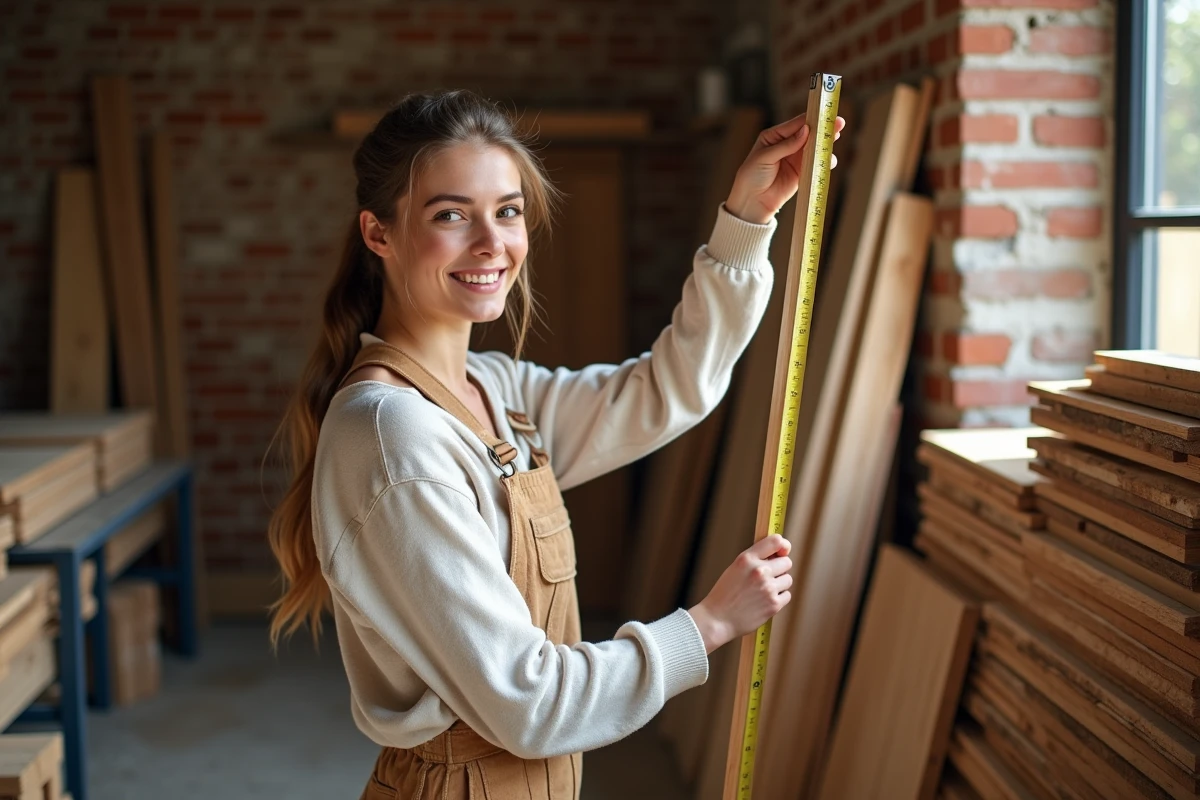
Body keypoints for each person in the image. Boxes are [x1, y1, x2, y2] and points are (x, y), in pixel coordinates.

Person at [266, 89, 843, 800]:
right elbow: (529, 703)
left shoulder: (495, 388)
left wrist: (747, 218)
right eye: (451, 215)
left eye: (507, 212)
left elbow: (667, 389)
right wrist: (710, 623)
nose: (492, 243)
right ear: (378, 233)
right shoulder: (394, 435)